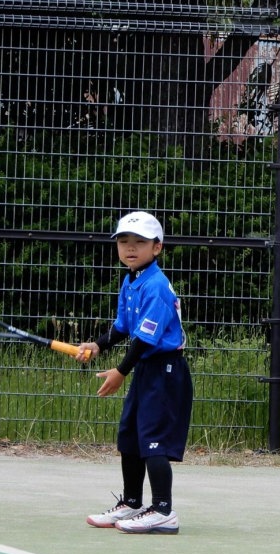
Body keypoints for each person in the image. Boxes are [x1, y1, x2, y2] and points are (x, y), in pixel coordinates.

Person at [77, 211, 193, 535]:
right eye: (124, 241)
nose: (130, 247)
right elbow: (123, 327)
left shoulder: (155, 286)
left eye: (140, 242)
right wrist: (98, 345)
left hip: (166, 371)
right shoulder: (131, 281)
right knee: (130, 438)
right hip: (145, 369)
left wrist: (120, 371)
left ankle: (164, 511)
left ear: (157, 248)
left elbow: (144, 339)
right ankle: (131, 503)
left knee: (153, 441)